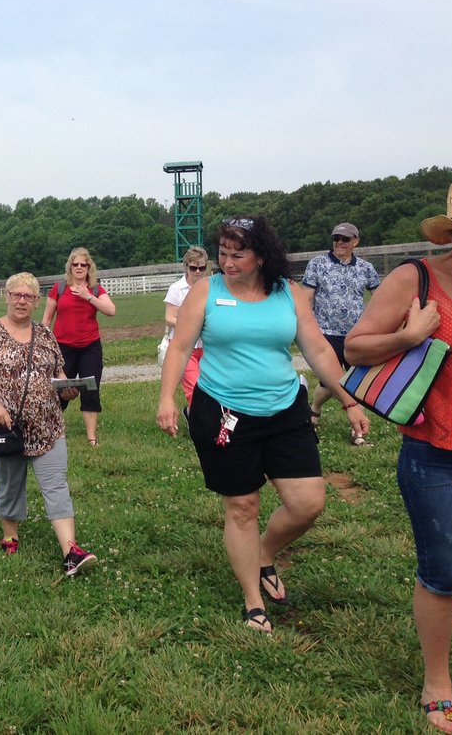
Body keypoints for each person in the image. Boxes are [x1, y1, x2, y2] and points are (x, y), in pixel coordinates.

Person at [345, 171, 452, 735]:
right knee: (445, 572)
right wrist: (408, 336)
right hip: (440, 457)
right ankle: (437, 686)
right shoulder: (413, 279)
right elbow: (355, 347)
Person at [156, 216, 369, 634]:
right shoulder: (206, 292)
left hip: (285, 408)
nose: (228, 263)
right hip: (224, 411)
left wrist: (348, 399)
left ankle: (265, 552)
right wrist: (166, 399)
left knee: (308, 503)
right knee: (242, 506)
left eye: (238, 255)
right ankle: (253, 600)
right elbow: (180, 346)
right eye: (223, 254)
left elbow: (320, 351)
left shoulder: (288, 294)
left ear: (262, 255)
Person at [0, 272, 99, 577]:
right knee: (10, 484)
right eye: (17, 295)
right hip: (6, 426)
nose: (22, 301)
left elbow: (59, 373)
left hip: (48, 425)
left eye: (28, 297)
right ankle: (10, 536)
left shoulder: (45, 335)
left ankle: (71, 552)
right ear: (7, 297)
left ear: (37, 301)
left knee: (56, 485)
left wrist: (67, 388)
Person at [302, 223, 381, 444]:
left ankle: (355, 431)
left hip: (356, 334)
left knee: (355, 380)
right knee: (331, 381)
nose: (339, 243)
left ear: (355, 241)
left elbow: (380, 297)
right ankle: (316, 409)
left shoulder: (365, 268)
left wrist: (380, 324)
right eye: (336, 238)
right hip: (325, 331)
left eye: (345, 239)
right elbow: (307, 297)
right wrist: (306, 328)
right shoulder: (317, 264)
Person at [41, 247, 116, 446]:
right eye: (76, 264)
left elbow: (111, 310)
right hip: (63, 348)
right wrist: (44, 344)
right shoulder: (59, 289)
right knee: (60, 390)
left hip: (90, 347)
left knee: (90, 389)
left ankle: (91, 437)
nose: (80, 267)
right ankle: (50, 430)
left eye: (84, 264)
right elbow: (46, 320)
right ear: (70, 267)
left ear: (89, 267)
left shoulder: (96, 290)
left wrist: (88, 297)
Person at [163, 246, 209, 407]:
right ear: (186, 267)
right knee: (194, 389)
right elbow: (169, 317)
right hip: (184, 345)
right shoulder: (176, 289)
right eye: (193, 268)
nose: (198, 271)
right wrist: (192, 326)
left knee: (209, 388)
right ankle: (198, 424)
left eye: (201, 268)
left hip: (207, 346)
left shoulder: (211, 288)